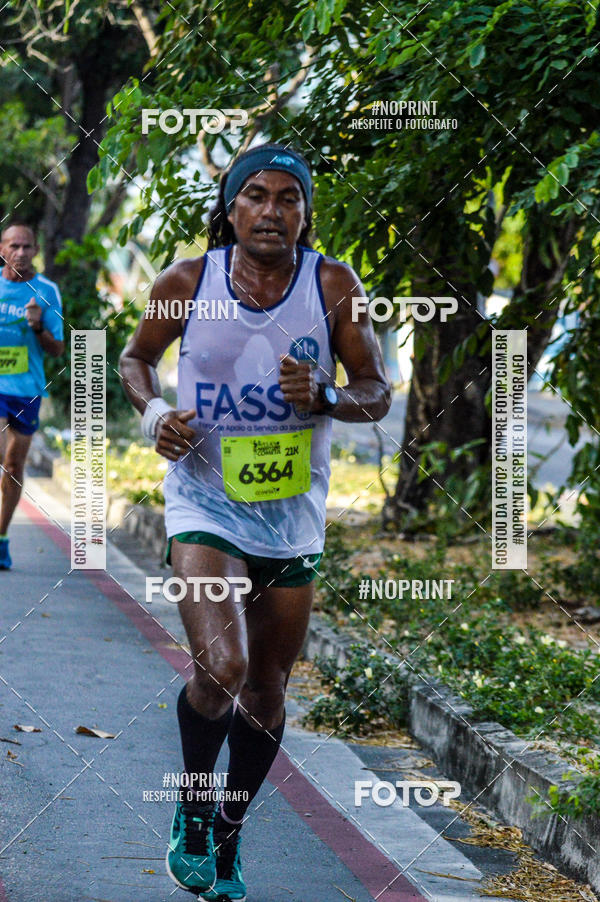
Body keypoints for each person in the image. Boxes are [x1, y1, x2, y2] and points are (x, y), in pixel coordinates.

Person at [119, 143, 391, 901]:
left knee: (268, 689)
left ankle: (230, 830)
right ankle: (192, 806)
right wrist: (155, 417)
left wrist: (327, 396)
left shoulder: (333, 285)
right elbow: (136, 360)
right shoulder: (187, 281)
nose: (272, 211)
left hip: (291, 518)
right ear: (231, 207)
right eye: (257, 196)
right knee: (223, 668)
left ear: (305, 214)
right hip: (203, 500)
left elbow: (376, 390)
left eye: (288, 198)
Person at [0, 223, 64, 570]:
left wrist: (37, 326)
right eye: (14, 246)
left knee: (13, 467)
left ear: (36, 250)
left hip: (27, 390)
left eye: (27, 247)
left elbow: (57, 349)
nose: (21, 253)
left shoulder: (47, 291)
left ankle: (1, 537)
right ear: (2, 249)